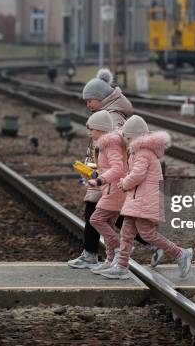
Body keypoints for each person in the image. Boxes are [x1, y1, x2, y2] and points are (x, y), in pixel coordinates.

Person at [68, 69, 161, 269]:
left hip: (111, 177)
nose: (87, 104)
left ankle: (93, 254)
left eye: (90, 100)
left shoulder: (113, 118)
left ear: (101, 99)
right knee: (114, 217)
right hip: (106, 175)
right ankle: (150, 245)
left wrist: (101, 176)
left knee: (97, 215)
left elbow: (116, 149)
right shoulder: (106, 114)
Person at [99, 115, 193, 279]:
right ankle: (121, 266)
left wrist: (124, 183)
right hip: (137, 200)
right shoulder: (139, 151)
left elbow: (137, 175)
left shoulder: (143, 152)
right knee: (127, 233)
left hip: (145, 200)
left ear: (135, 136)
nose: (126, 141)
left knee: (146, 233)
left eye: (127, 137)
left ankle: (180, 254)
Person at [84, 111, 127, 273]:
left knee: (96, 219)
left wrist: (100, 180)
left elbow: (118, 168)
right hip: (109, 189)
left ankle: (120, 249)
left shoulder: (110, 144)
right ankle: (110, 261)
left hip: (114, 189)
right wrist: (93, 175)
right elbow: (108, 168)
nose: (89, 132)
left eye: (92, 129)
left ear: (101, 129)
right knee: (107, 223)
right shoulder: (103, 144)